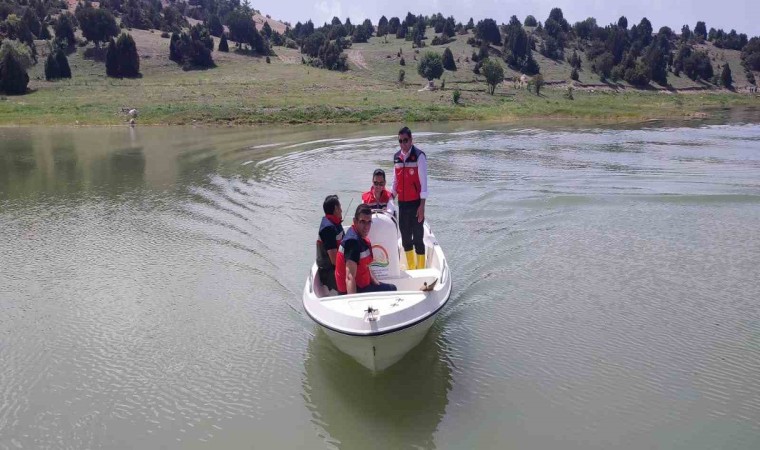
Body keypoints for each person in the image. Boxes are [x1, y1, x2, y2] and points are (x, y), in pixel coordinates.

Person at [335, 204, 398, 295]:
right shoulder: (353, 242)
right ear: (355, 221)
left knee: (388, 288)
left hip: (363, 285)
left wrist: (376, 283)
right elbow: (350, 277)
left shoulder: (358, 236)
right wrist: (353, 304)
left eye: (369, 222)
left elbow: (365, 266)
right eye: (363, 222)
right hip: (355, 291)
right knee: (392, 289)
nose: (366, 226)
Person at [391, 126, 427, 270]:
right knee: (406, 239)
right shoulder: (396, 158)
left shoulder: (419, 156)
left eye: (405, 140)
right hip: (403, 205)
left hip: (416, 204)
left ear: (411, 140)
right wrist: (388, 198)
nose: (403, 144)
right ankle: (412, 268)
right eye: (400, 141)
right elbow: (395, 182)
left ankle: (422, 269)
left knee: (418, 238)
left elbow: (424, 185)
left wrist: (422, 206)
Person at [316, 195, 344, 292]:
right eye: (340, 207)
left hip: (336, 267)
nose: (341, 210)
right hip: (329, 271)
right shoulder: (328, 228)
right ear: (336, 208)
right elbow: (334, 261)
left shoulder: (335, 223)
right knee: (354, 283)